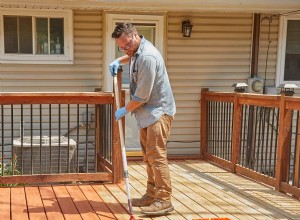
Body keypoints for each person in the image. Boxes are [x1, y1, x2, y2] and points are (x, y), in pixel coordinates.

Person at [109, 22, 176, 216]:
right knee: (148, 157)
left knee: (157, 156)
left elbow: (141, 97)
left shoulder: (147, 57)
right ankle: (151, 194)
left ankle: (164, 200)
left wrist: (123, 110)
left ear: (135, 35)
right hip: (147, 114)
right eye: (121, 47)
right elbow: (131, 57)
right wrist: (119, 60)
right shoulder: (136, 52)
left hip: (158, 112)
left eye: (127, 44)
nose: (125, 49)